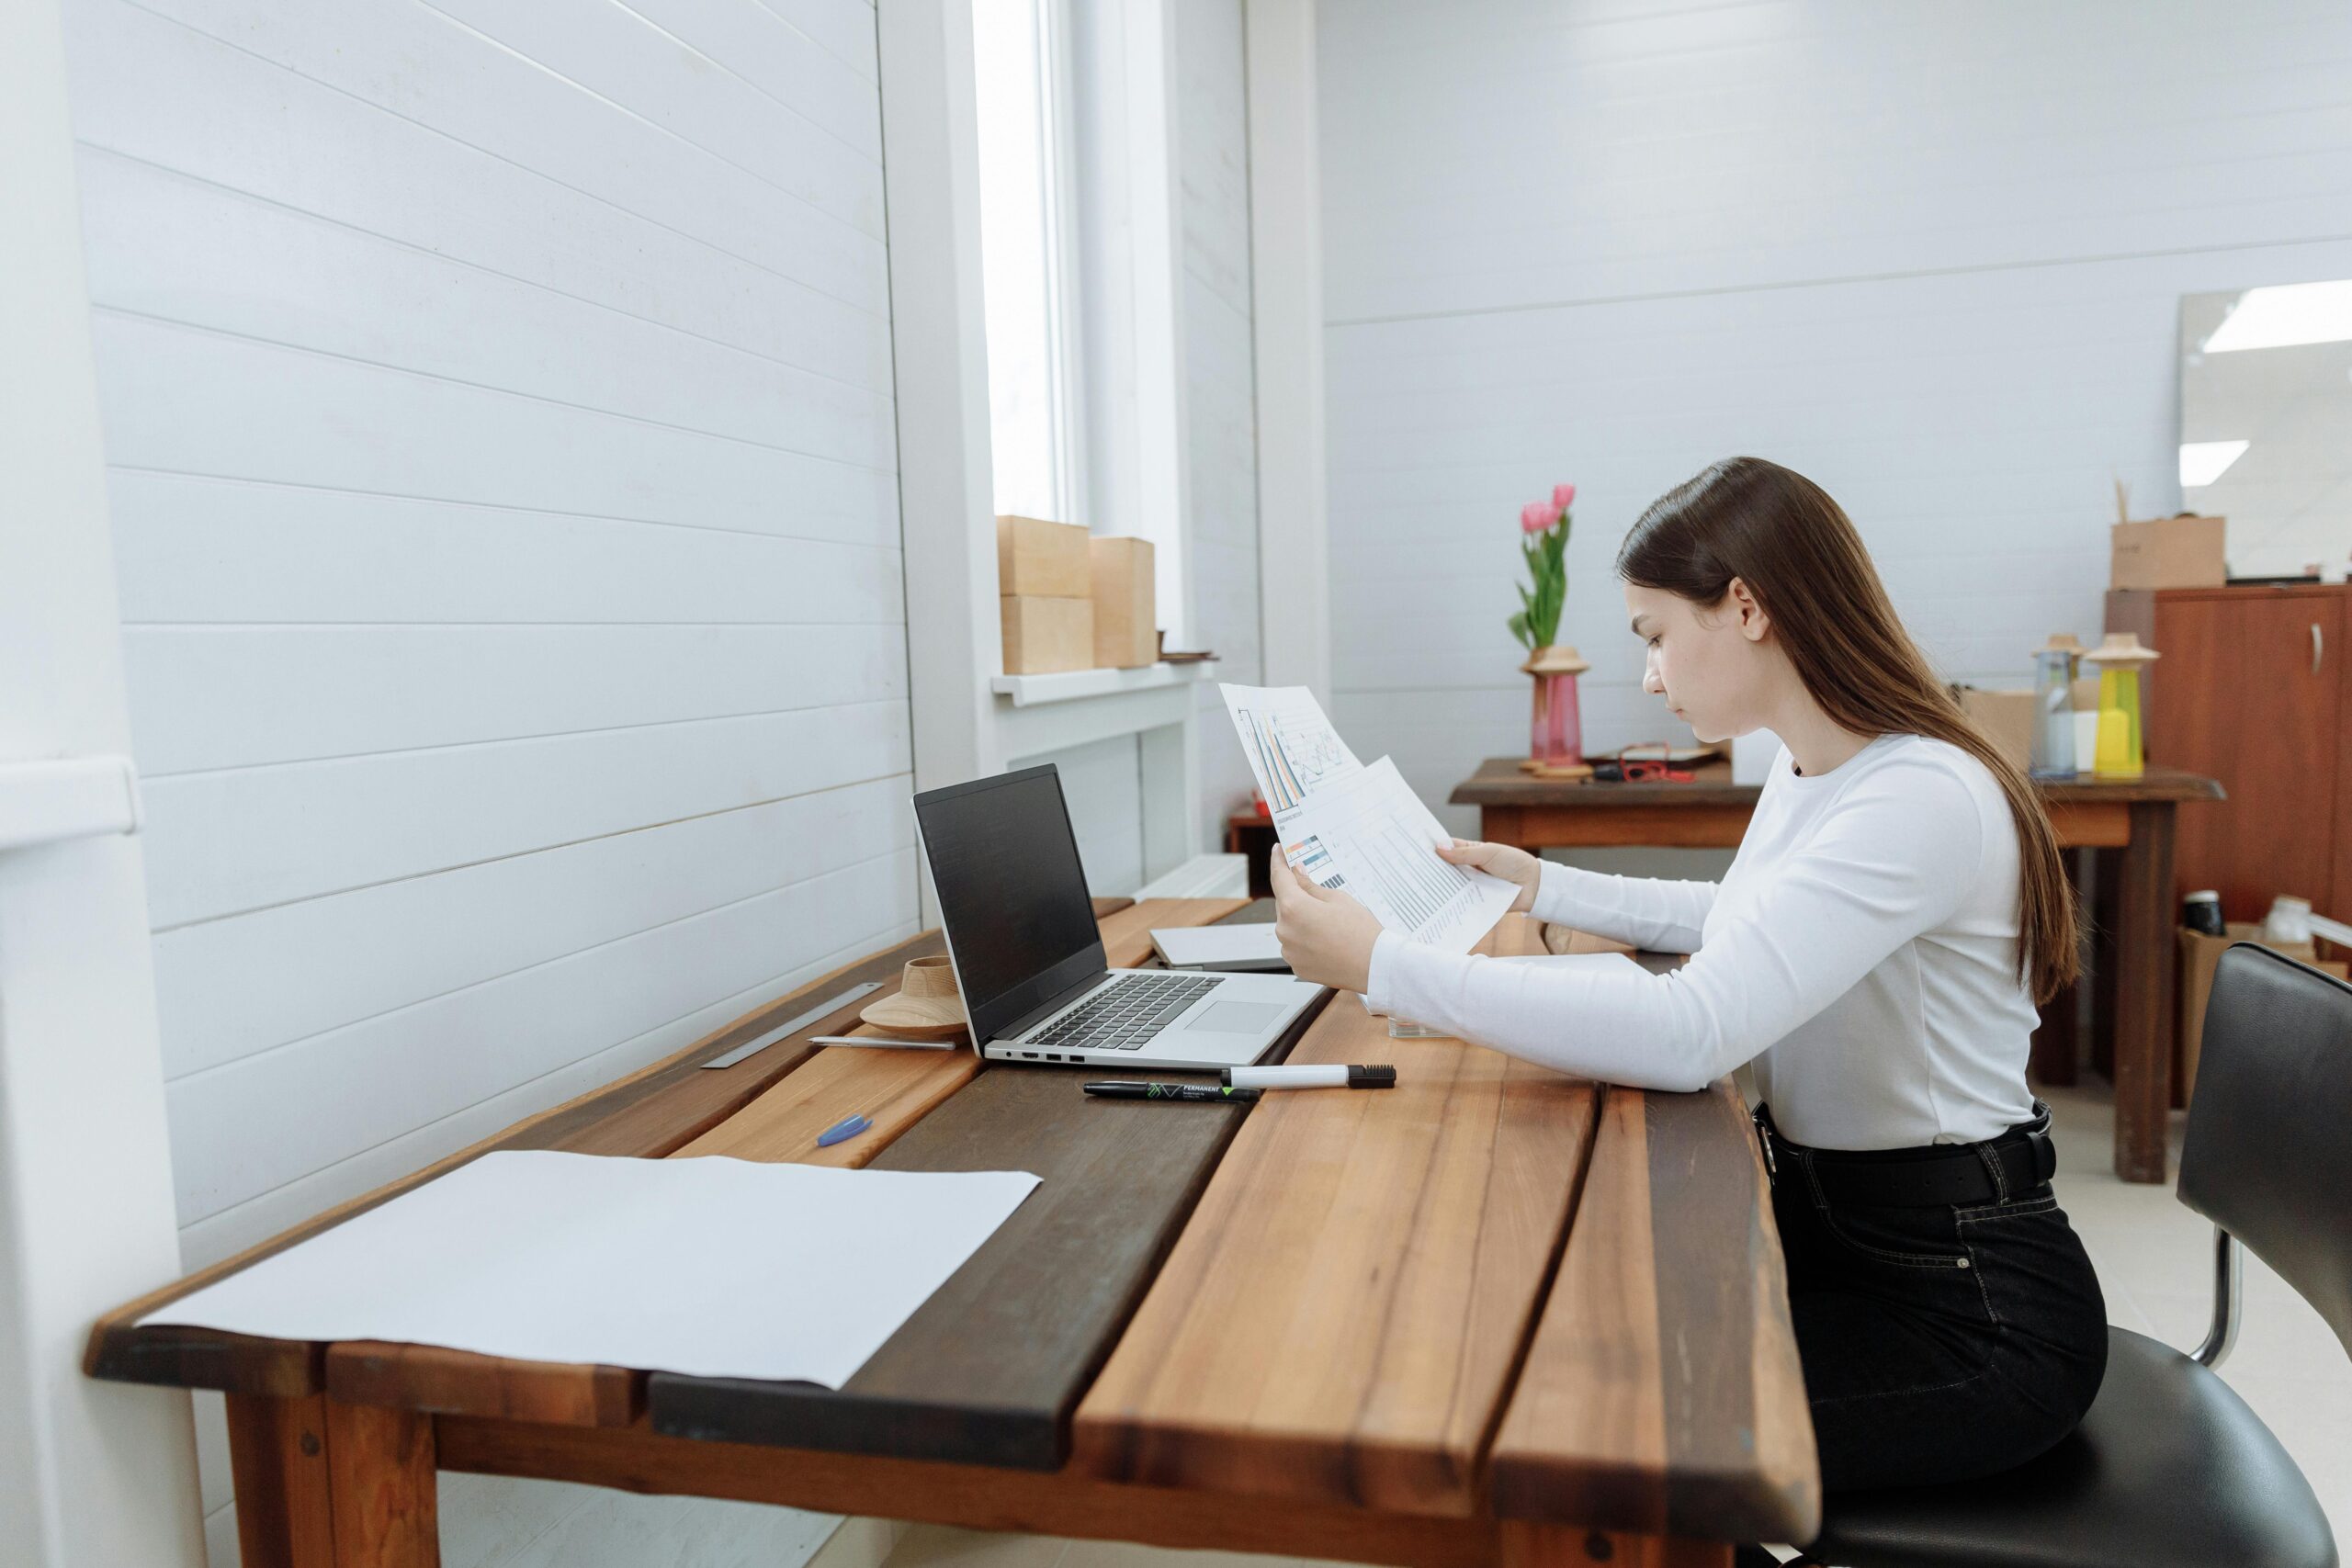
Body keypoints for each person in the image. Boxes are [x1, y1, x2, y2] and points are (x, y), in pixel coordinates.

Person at [1271, 456, 2108, 1499]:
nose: (1651, 677)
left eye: (1656, 636)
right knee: (1557, 1347)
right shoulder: (1816, 764)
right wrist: (1544, 886)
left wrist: (1387, 965)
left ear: (1746, 608)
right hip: (1844, 1236)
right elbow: (1750, 922)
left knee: (1596, 1452)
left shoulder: (1917, 798)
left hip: (1962, 1309)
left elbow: (1691, 1032)